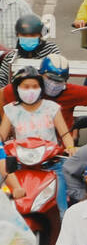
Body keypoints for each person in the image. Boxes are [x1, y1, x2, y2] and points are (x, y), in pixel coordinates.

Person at [0, 65, 74, 208]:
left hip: (51, 163)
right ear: (17, 88)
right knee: (8, 204)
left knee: (61, 208)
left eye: (35, 86)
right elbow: (1, 137)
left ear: (41, 88)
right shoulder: (11, 110)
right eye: (26, 87)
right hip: (21, 163)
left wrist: (70, 146)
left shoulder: (51, 107)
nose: (31, 90)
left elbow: (65, 134)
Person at [0, 14, 58, 88]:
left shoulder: (51, 50)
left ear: (40, 35)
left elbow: (58, 76)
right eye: (24, 35)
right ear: (18, 35)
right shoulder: (11, 57)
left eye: (32, 35)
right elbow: (2, 81)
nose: (28, 38)